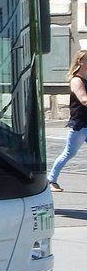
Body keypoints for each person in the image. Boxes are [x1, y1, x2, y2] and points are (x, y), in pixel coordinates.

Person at [49, 49, 87, 193]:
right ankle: (51, 180)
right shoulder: (76, 80)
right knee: (69, 153)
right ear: (80, 62)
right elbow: (84, 100)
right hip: (80, 124)